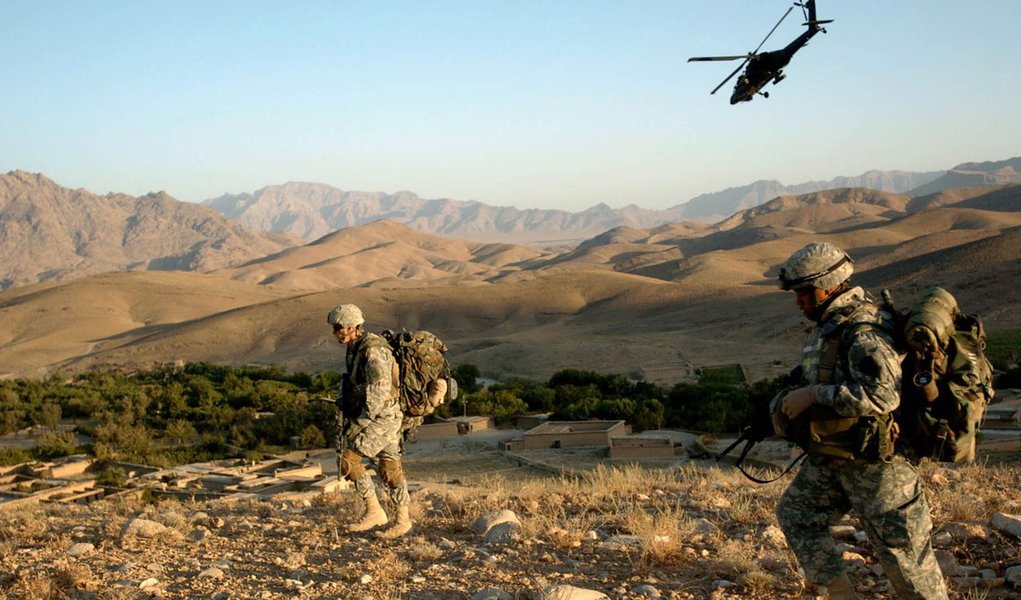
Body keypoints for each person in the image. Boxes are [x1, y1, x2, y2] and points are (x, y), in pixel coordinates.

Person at [771, 242, 947, 600]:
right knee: (796, 516)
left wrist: (815, 396)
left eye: (805, 293)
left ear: (829, 285)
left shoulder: (863, 331)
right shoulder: (831, 326)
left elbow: (883, 395)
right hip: (836, 460)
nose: (799, 302)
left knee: (904, 559)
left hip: (880, 468)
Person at [327, 303, 412, 538]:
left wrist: (361, 421)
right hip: (385, 416)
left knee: (348, 461)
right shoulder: (355, 349)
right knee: (389, 467)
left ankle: (376, 512)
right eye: (335, 327)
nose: (335, 332)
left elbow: (379, 389)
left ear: (353, 327)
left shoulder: (372, 351)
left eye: (338, 327)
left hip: (382, 417)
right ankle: (401, 520)